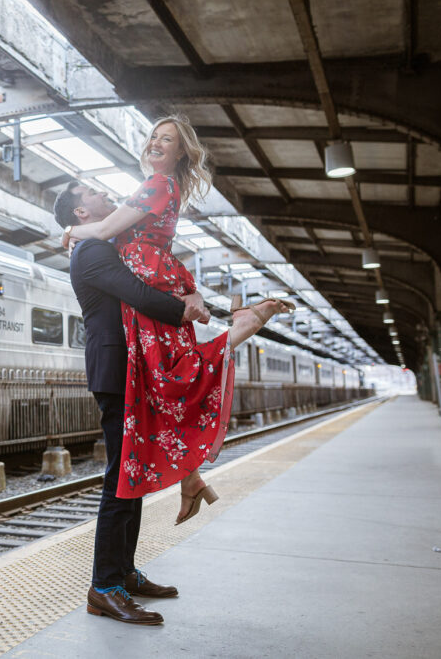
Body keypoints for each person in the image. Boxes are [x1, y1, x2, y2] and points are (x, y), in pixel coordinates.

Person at [61, 115, 292, 526]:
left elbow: (111, 227)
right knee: (164, 385)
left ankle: (239, 330)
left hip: (151, 278)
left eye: (166, 139)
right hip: (156, 274)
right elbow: (115, 231)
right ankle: (192, 478)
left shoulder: (158, 184)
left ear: (181, 150)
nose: (156, 142)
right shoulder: (156, 188)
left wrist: (73, 230)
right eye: (153, 136)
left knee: (170, 380)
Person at [53, 180, 211, 625]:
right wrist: (187, 309)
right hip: (117, 373)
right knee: (119, 480)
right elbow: (140, 294)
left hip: (129, 371)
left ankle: (123, 573)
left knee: (132, 476)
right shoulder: (93, 252)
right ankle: (104, 587)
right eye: (93, 194)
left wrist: (190, 293)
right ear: (81, 214)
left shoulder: (99, 245)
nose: (104, 195)